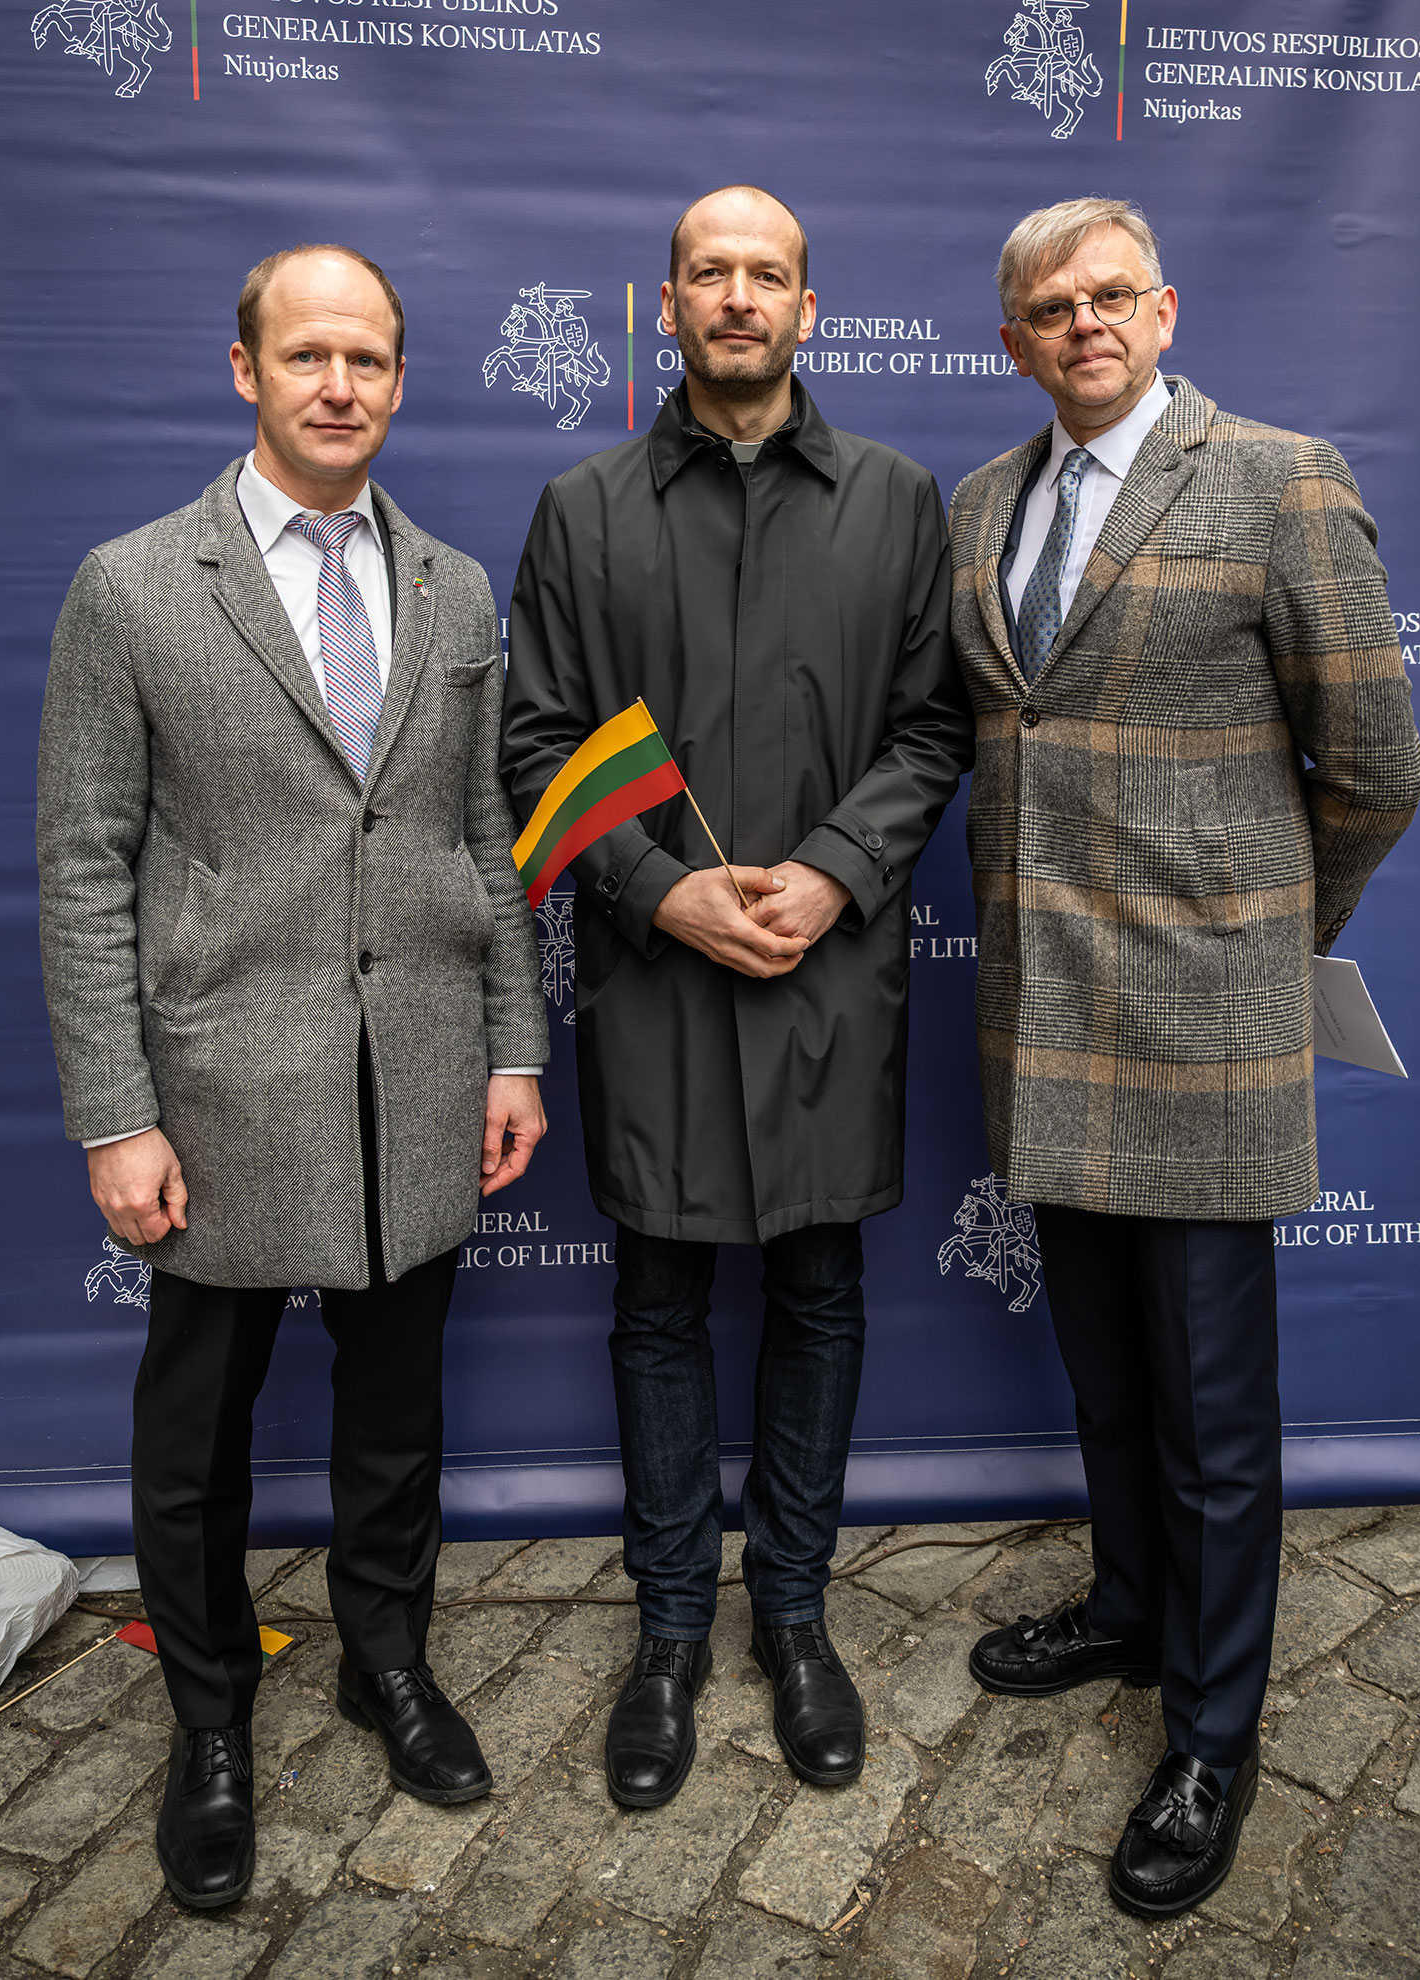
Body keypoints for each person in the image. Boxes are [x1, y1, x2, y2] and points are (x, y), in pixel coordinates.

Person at [37, 245, 548, 1909]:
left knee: (395, 1422)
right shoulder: (132, 586)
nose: (343, 385)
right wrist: (118, 1110)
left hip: (416, 1076)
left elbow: (485, 833)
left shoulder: (458, 590)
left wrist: (512, 1050)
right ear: (244, 368)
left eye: (373, 360)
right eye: (310, 354)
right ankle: (211, 1724)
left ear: (402, 381)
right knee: (197, 1442)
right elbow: (84, 863)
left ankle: (383, 1661)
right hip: (218, 1092)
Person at [949, 198, 1420, 1916]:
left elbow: (1374, 762)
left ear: (1163, 308)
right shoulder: (982, 507)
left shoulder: (1280, 477)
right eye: (1047, 308)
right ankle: (1133, 1610)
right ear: (1012, 342)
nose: (1083, 323)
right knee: (1104, 1374)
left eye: (1109, 296)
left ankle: (1211, 1733)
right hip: (1046, 1021)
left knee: (1218, 1412)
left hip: (1206, 1023)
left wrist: (1258, 932)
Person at [501, 185, 972, 1809]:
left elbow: (933, 732)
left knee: (822, 1299)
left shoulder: (900, 502)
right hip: (658, 981)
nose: (738, 297)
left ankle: (794, 1615)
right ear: (667, 304)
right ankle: (672, 1635)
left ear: (808, 309)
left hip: (830, 975)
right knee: (656, 1310)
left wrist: (838, 867)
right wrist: (659, 888)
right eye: (711, 272)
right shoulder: (584, 505)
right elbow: (539, 742)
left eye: (767, 274)